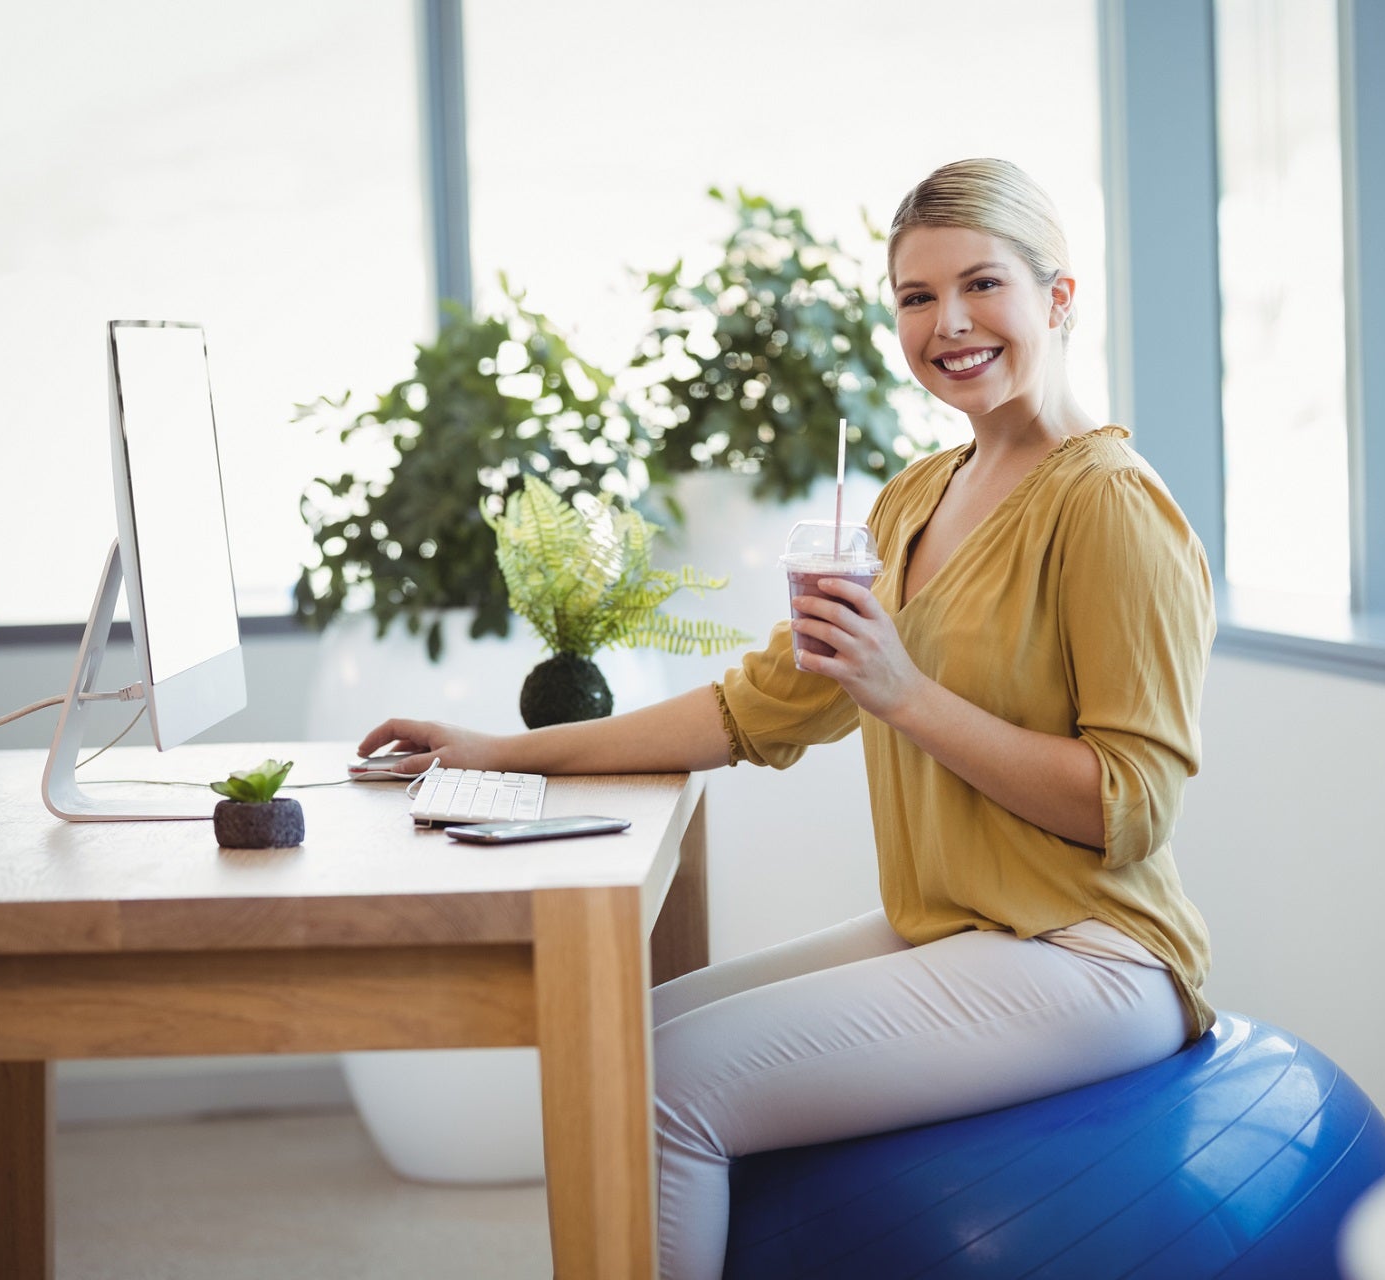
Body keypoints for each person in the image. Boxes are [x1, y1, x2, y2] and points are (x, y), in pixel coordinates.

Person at [357, 157, 1217, 1280]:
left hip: (1092, 954)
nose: (947, 323)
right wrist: (499, 752)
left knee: (664, 1087)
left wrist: (904, 692)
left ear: (1058, 297)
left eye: (982, 285)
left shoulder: (1108, 504)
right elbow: (753, 708)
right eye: (915, 297)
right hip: (960, 923)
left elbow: (1129, 809)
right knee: (628, 1033)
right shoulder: (913, 494)